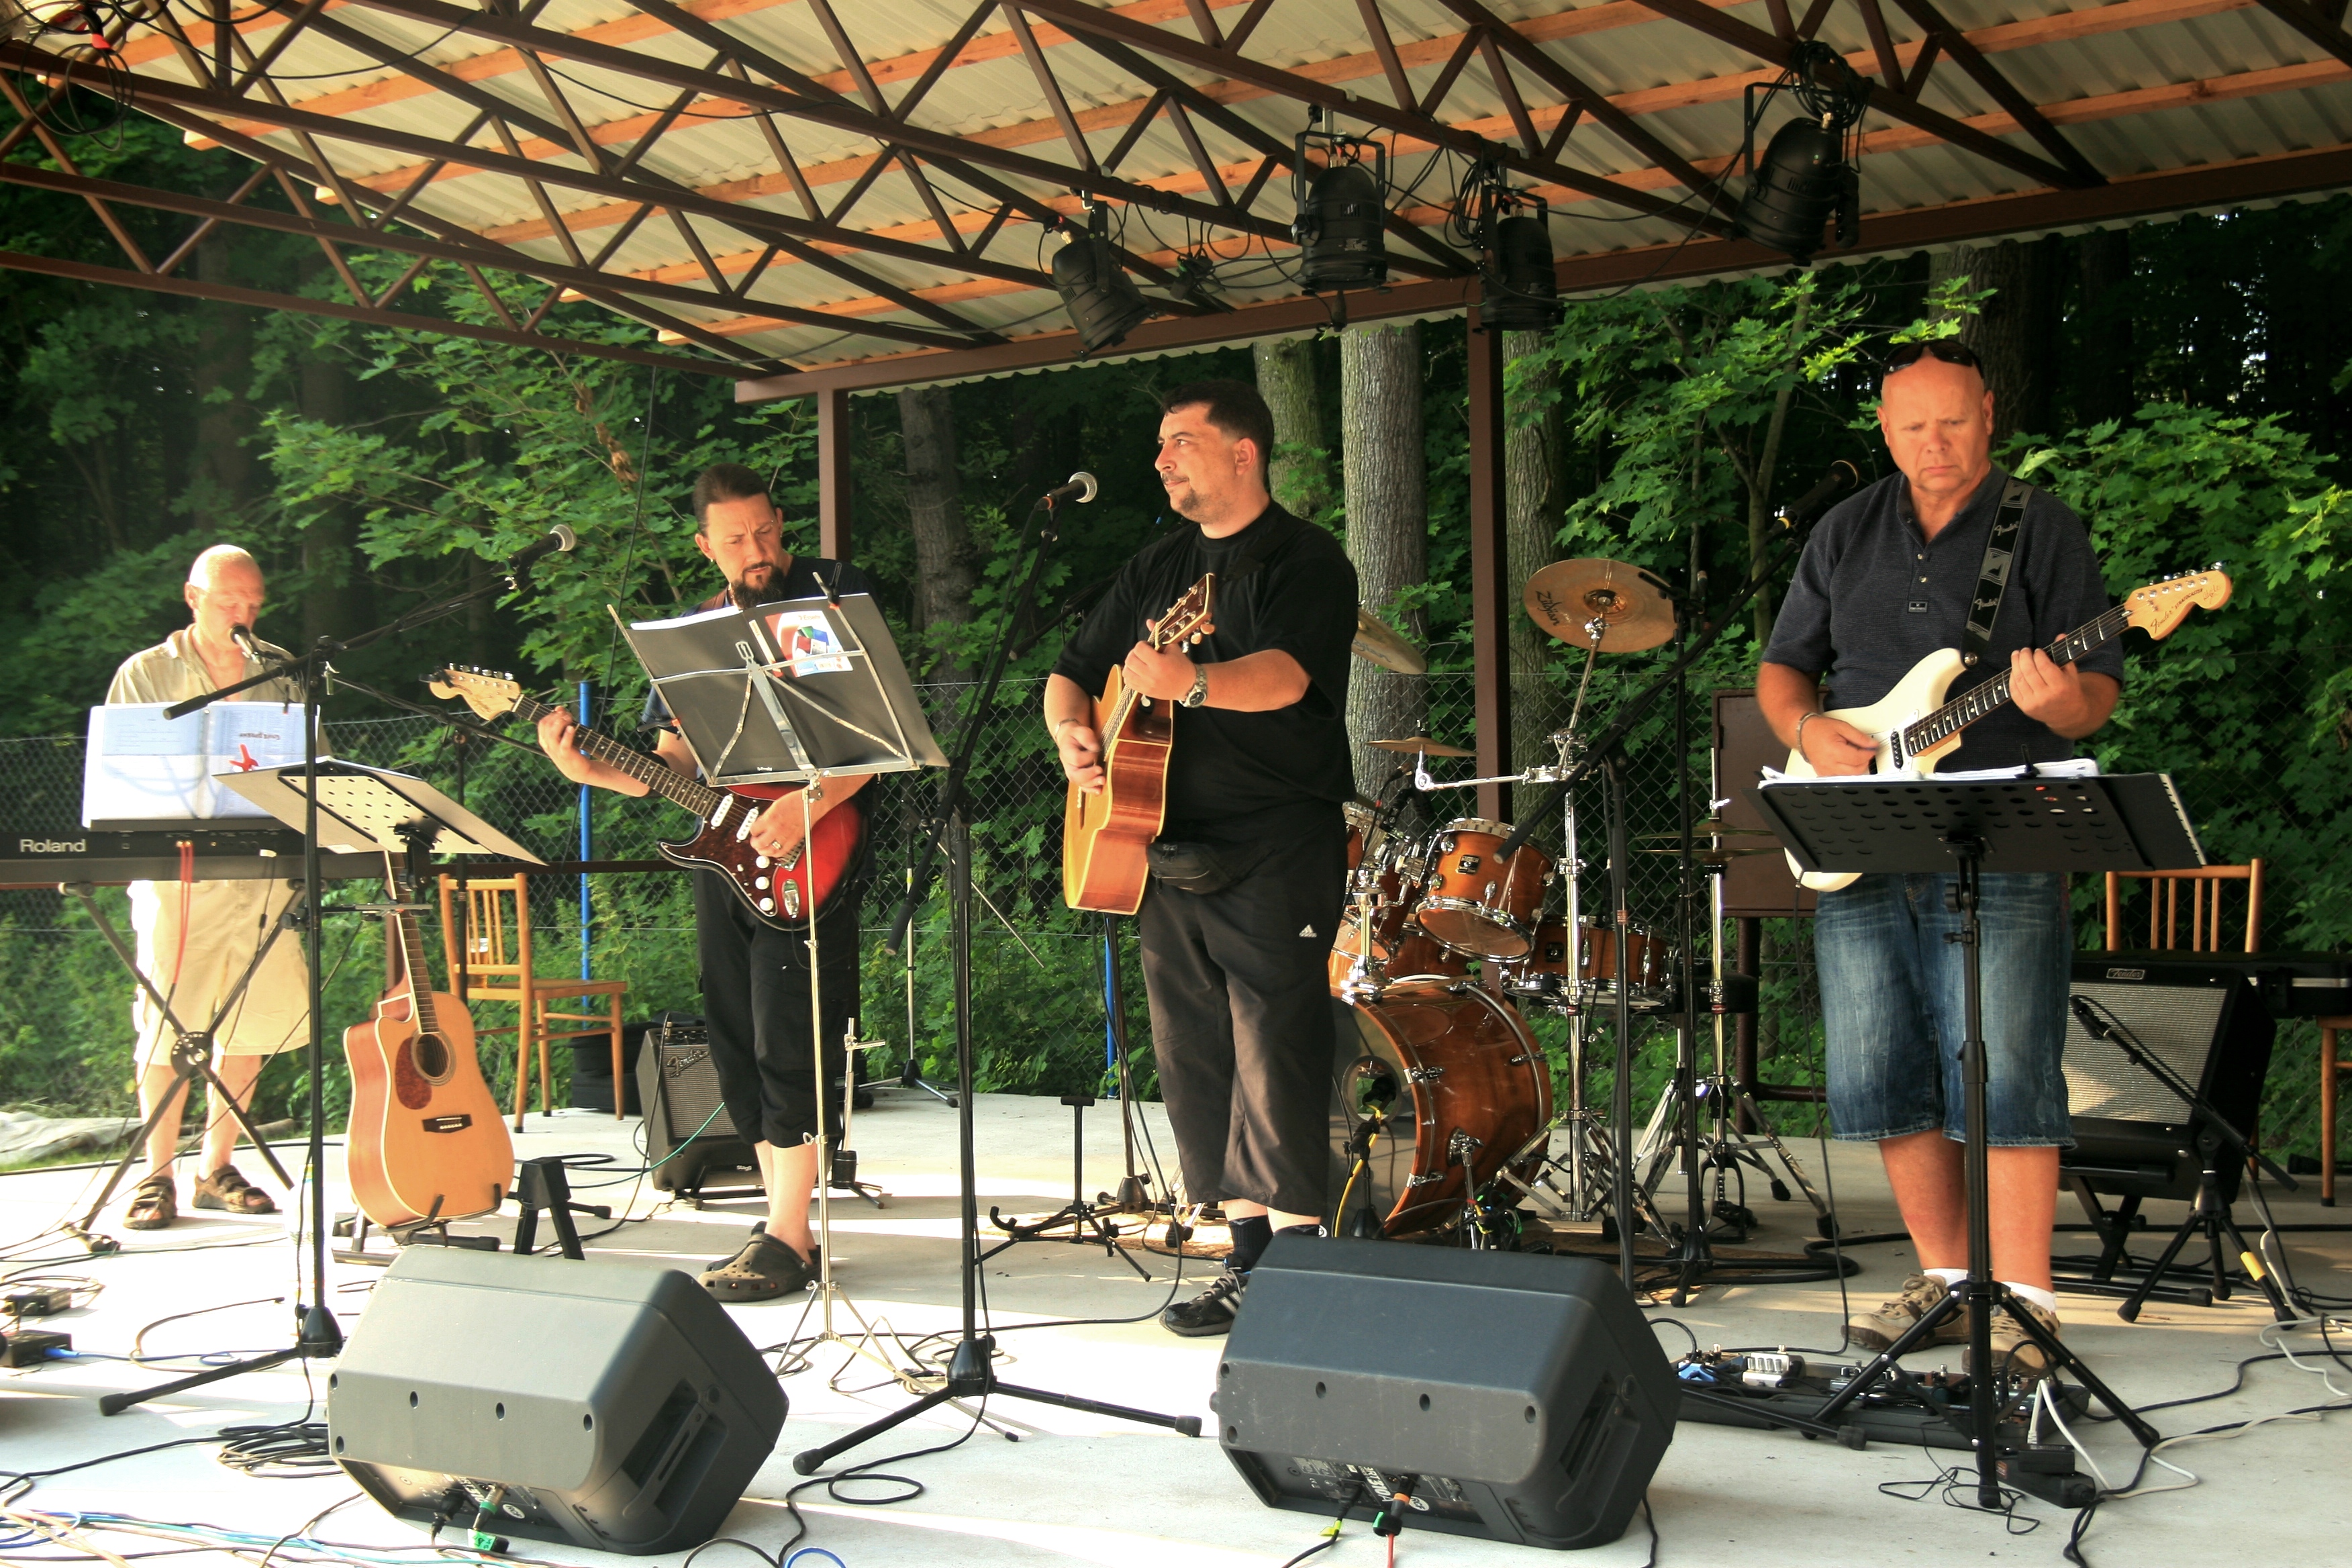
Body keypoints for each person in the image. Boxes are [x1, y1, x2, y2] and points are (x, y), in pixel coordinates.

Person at [1757, 340, 2124, 1379]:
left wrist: (2066, 702)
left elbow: (2096, 686)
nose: (1935, 443)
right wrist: (1811, 727)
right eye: (1913, 425)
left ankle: (2027, 1299)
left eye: (1953, 421)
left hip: (2001, 819)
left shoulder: (2041, 527)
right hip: (1860, 818)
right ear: (1884, 429)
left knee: (2005, 1060)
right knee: (1880, 1065)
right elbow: (1785, 666)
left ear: (1989, 416)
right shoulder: (1844, 529)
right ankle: (1950, 1279)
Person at [1044, 381, 1359, 1337]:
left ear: (1243, 454)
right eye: (1159, 444)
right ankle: (1246, 1258)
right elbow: (1074, 669)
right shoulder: (1159, 565)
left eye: (1180, 441)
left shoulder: (1304, 559)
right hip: (1159, 848)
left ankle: (1302, 1266)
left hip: (1277, 841)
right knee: (1196, 1056)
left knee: (1278, 1048)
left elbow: (1290, 676)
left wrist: (1196, 680)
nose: (1161, 459)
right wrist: (1072, 734)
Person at [537, 464, 870, 1301]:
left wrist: (805, 804)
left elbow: (875, 737)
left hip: (814, 838)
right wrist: (589, 769)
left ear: (780, 521)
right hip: (725, 851)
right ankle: (777, 1219)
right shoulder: (694, 634)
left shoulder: (826, 599)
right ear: (705, 544)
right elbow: (672, 765)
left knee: (790, 1035)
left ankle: (792, 1234)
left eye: (765, 531)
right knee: (735, 1039)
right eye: (735, 539)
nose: (757, 550)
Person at [105, 545, 309, 1230]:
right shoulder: (146, 672)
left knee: (250, 1018)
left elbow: (309, 761)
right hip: (180, 874)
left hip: (263, 869)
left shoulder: (282, 668)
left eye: (254, 602)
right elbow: (124, 771)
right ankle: (155, 1175)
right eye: (230, 602)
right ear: (193, 598)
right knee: (168, 1024)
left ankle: (215, 1165)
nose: (244, 613)